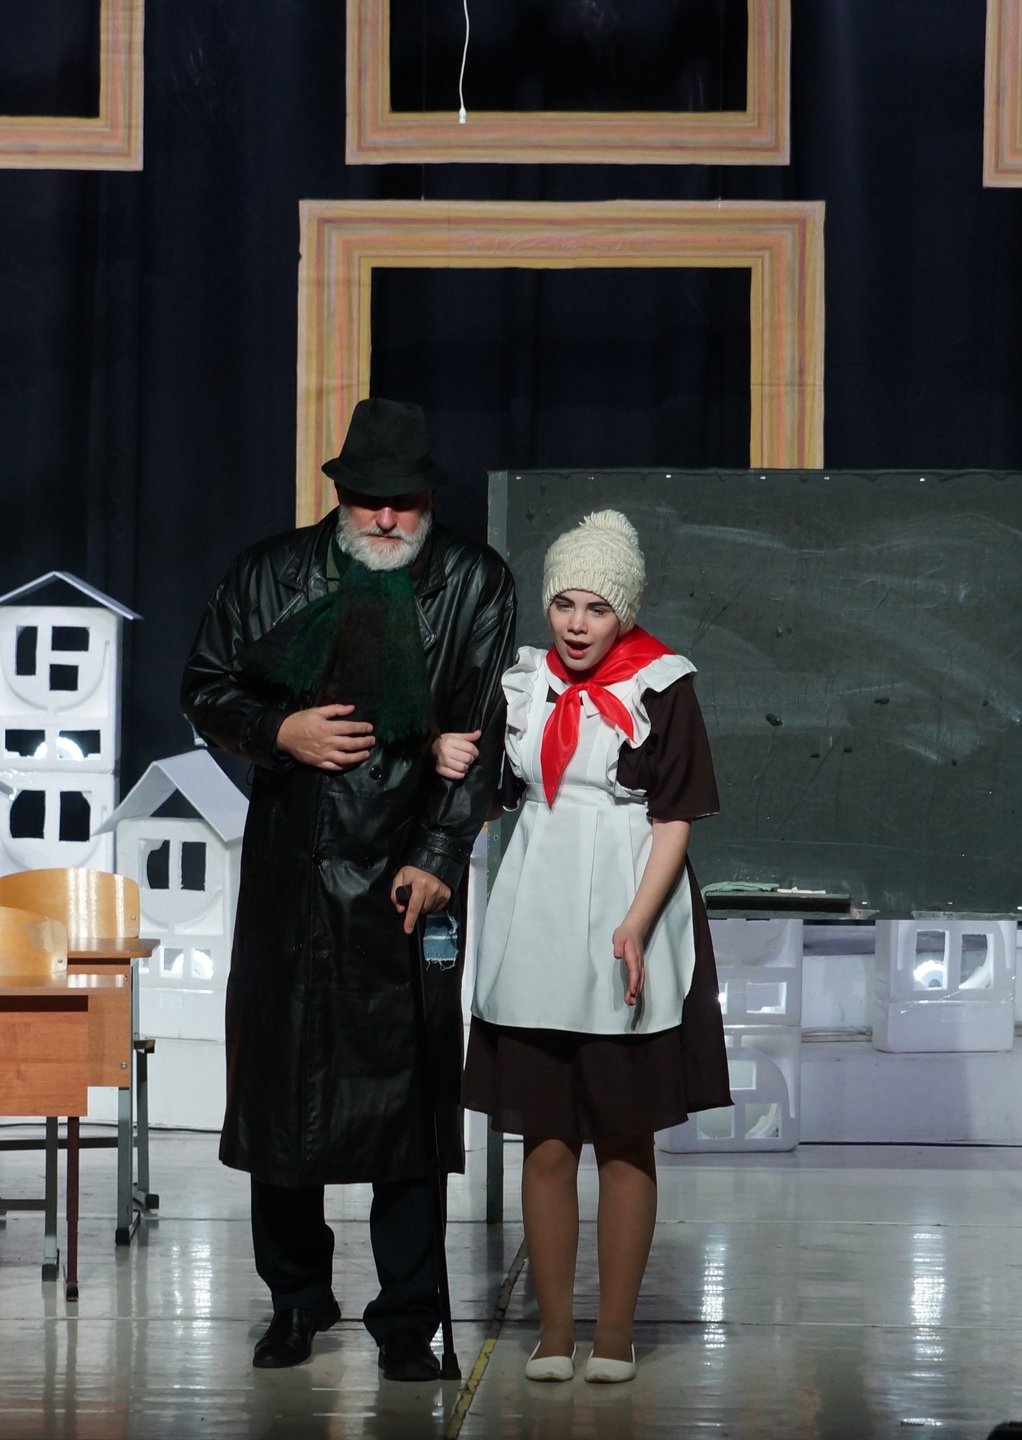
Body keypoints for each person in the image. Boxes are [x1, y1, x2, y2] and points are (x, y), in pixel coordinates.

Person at [180, 397, 517, 1382]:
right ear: (339, 494)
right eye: (368, 499)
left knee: (408, 1111)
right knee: (284, 1099)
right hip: (292, 874)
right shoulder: (270, 573)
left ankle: (407, 1319)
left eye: (401, 501)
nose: (384, 517)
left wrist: (440, 856)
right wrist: (277, 731)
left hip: (405, 877)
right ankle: (295, 1299)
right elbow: (205, 685)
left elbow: (486, 733)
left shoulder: (472, 582)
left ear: (428, 499)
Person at [441, 509, 730, 1386]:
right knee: (546, 1138)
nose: (576, 623)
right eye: (564, 604)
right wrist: (442, 754)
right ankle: (555, 1330)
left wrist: (636, 923)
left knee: (625, 1135)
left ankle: (614, 1331)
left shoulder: (664, 683)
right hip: (539, 905)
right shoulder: (521, 682)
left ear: (624, 612)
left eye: (596, 608)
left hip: (626, 902)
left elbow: (675, 817)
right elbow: (492, 789)